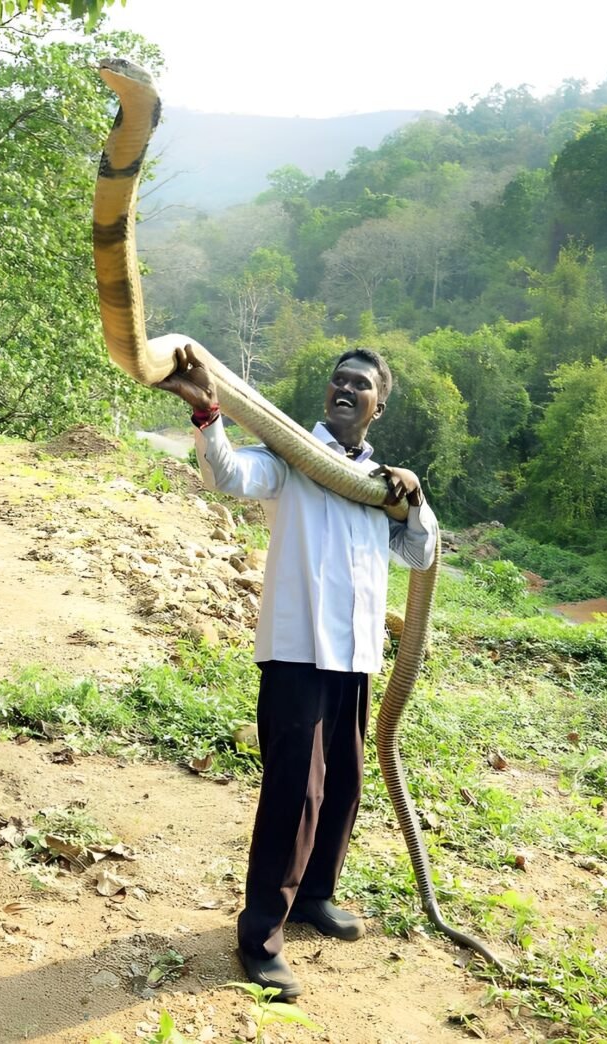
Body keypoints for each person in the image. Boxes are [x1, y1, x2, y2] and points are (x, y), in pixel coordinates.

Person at [156, 342, 438, 998]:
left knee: (341, 783)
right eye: (338, 380)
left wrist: (415, 498)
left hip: (356, 657)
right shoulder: (290, 456)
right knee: (295, 793)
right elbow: (227, 475)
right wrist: (207, 416)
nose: (345, 388)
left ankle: (314, 896)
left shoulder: (381, 485)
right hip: (297, 653)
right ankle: (260, 938)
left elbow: (421, 553)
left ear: (379, 406)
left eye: (360, 383)